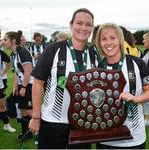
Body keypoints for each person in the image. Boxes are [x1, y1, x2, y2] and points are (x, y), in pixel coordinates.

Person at [29, 8, 99, 149]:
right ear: (71, 25)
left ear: (92, 28)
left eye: (88, 24)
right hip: (53, 120)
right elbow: (37, 83)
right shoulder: (54, 49)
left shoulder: (94, 53)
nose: (84, 28)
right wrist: (36, 117)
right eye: (79, 23)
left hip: (83, 122)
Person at [95, 23, 149, 149]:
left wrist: (136, 98)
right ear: (99, 42)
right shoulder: (97, 68)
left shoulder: (137, 63)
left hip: (134, 138)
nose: (108, 43)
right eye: (104, 39)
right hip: (105, 139)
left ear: (120, 40)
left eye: (113, 38)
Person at [3, 31, 34, 141]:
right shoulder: (14, 53)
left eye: (5, 39)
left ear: (13, 41)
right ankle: (27, 133)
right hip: (23, 84)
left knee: (30, 111)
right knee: (23, 110)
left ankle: (44, 132)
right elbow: (17, 72)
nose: (3, 41)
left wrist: (24, 87)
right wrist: (16, 86)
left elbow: (28, 70)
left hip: (30, 84)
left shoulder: (22, 52)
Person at [0, 47, 16, 133]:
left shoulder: (0, 52)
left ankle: (6, 125)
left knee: (1, 106)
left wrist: (4, 71)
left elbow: (9, 61)